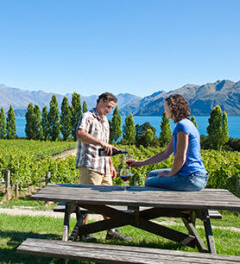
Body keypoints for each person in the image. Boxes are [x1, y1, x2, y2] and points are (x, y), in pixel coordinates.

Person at [76, 92, 131, 241]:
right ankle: (83, 232)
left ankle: (111, 231)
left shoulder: (106, 121)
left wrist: (111, 165)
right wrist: (100, 143)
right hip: (90, 164)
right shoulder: (87, 116)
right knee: (89, 201)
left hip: (104, 167)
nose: (109, 110)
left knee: (108, 200)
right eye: (108, 106)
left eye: (112, 108)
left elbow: (107, 146)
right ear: (100, 101)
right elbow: (80, 134)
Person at [127, 94, 208, 191]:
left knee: (149, 182)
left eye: (165, 107)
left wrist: (170, 174)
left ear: (172, 108)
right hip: (193, 175)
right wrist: (140, 163)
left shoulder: (182, 126)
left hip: (191, 177)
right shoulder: (184, 124)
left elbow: (180, 157)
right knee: (152, 174)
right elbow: (166, 153)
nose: (164, 111)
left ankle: (163, 205)